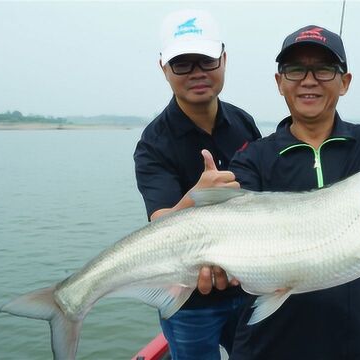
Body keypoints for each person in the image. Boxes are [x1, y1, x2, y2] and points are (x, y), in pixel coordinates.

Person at [198, 25, 360, 359]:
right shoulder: (253, 158)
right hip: (264, 347)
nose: (309, 80)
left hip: (351, 347)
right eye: (295, 69)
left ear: (344, 82)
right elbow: (230, 238)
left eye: (323, 69)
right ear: (280, 83)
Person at [133, 9, 261, 360]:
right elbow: (158, 227)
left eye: (205, 60)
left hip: (250, 285)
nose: (197, 73)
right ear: (163, 67)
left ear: (223, 59)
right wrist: (196, 197)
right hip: (187, 299)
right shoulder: (152, 145)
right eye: (182, 64)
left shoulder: (244, 123)